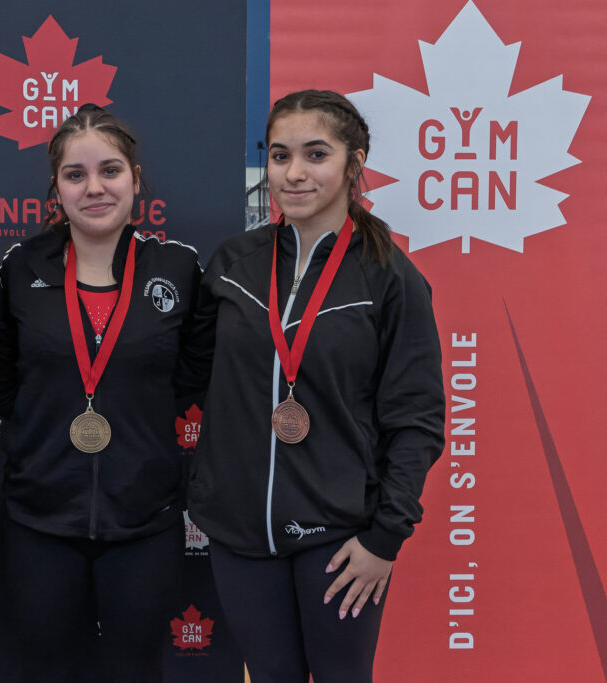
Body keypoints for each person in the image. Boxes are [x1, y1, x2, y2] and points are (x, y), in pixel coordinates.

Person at [186, 89, 445, 682]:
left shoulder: (390, 277)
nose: (294, 173)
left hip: (340, 537)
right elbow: (191, 375)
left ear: (355, 164)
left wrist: (384, 538)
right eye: (280, 156)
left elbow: (417, 420)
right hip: (241, 534)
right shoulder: (233, 263)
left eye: (316, 154)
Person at [0, 104, 205, 682]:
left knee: (136, 670)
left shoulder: (178, 269)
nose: (94, 188)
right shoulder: (19, 269)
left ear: (135, 179)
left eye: (110, 170)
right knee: (46, 670)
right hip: (40, 523)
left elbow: (190, 378)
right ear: (56, 187)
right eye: (75, 175)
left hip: (144, 522)